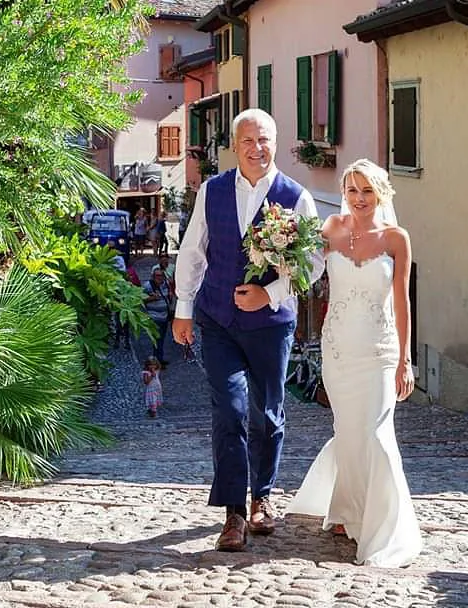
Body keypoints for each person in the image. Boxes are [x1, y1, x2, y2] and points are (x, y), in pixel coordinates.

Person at [173, 108, 322, 552]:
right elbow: (194, 249)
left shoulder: (296, 196)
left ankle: (263, 497)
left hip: (270, 326)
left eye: (265, 140)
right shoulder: (213, 191)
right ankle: (233, 513)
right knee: (230, 411)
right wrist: (183, 308)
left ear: (275, 143)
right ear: (234, 147)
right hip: (217, 320)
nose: (257, 149)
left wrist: (270, 293)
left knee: (267, 413)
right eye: (248, 142)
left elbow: (312, 263)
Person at [286, 158, 422, 568]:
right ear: (343, 194)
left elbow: (402, 301)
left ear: (381, 193)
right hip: (338, 349)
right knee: (348, 431)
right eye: (352, 191)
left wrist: (406, 360)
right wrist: (276, 251)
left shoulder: (397, 239)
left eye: (367, 191)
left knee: (377, 435)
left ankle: (383, 528)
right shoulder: (329, 230)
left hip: (380, 351)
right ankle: (347, 510)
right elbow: (304, 273)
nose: (359, 199)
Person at [143, 267, 172, 364]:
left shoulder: (166, 284)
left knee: (161, 339)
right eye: (157, 276)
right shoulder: (148, 286)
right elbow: (141, 299)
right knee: (157, 340)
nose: (160, 278)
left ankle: (159, 359)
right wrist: (152, 298)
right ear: (153, 276)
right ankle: (158, 361)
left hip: (164, 316)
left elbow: (168, 297)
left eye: (161, 275)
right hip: (154, 317)